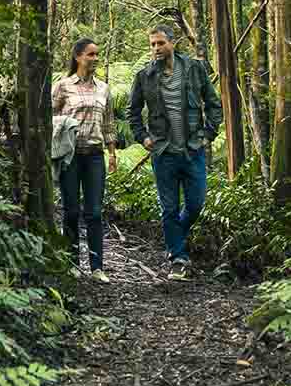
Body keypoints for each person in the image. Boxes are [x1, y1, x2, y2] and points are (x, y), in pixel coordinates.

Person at [126, 24, 222, 279]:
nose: (156, 48)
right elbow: (132, 112)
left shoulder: (194, 69)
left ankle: (174, 239)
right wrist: (143, 137)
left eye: (160, 43)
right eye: (152, 44)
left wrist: (207, 135)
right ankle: (178, 258)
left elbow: (213, 103)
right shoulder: (144, 76)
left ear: (172, 43)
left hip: (192, 150)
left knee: (196, 203)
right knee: (168, 208)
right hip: (164, 152)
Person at [52, 38, 119, 282]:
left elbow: (109, 123)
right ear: (78, 57)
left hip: (94, 156)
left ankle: (97, 267)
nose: (95, 59)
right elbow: (51, 117)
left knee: (94, 212)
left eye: (97, 55)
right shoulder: (63, 86)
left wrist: (112, 153)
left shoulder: (104, 88)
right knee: (70, 210)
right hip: (69, 157)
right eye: (91, 55)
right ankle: (71, 263)